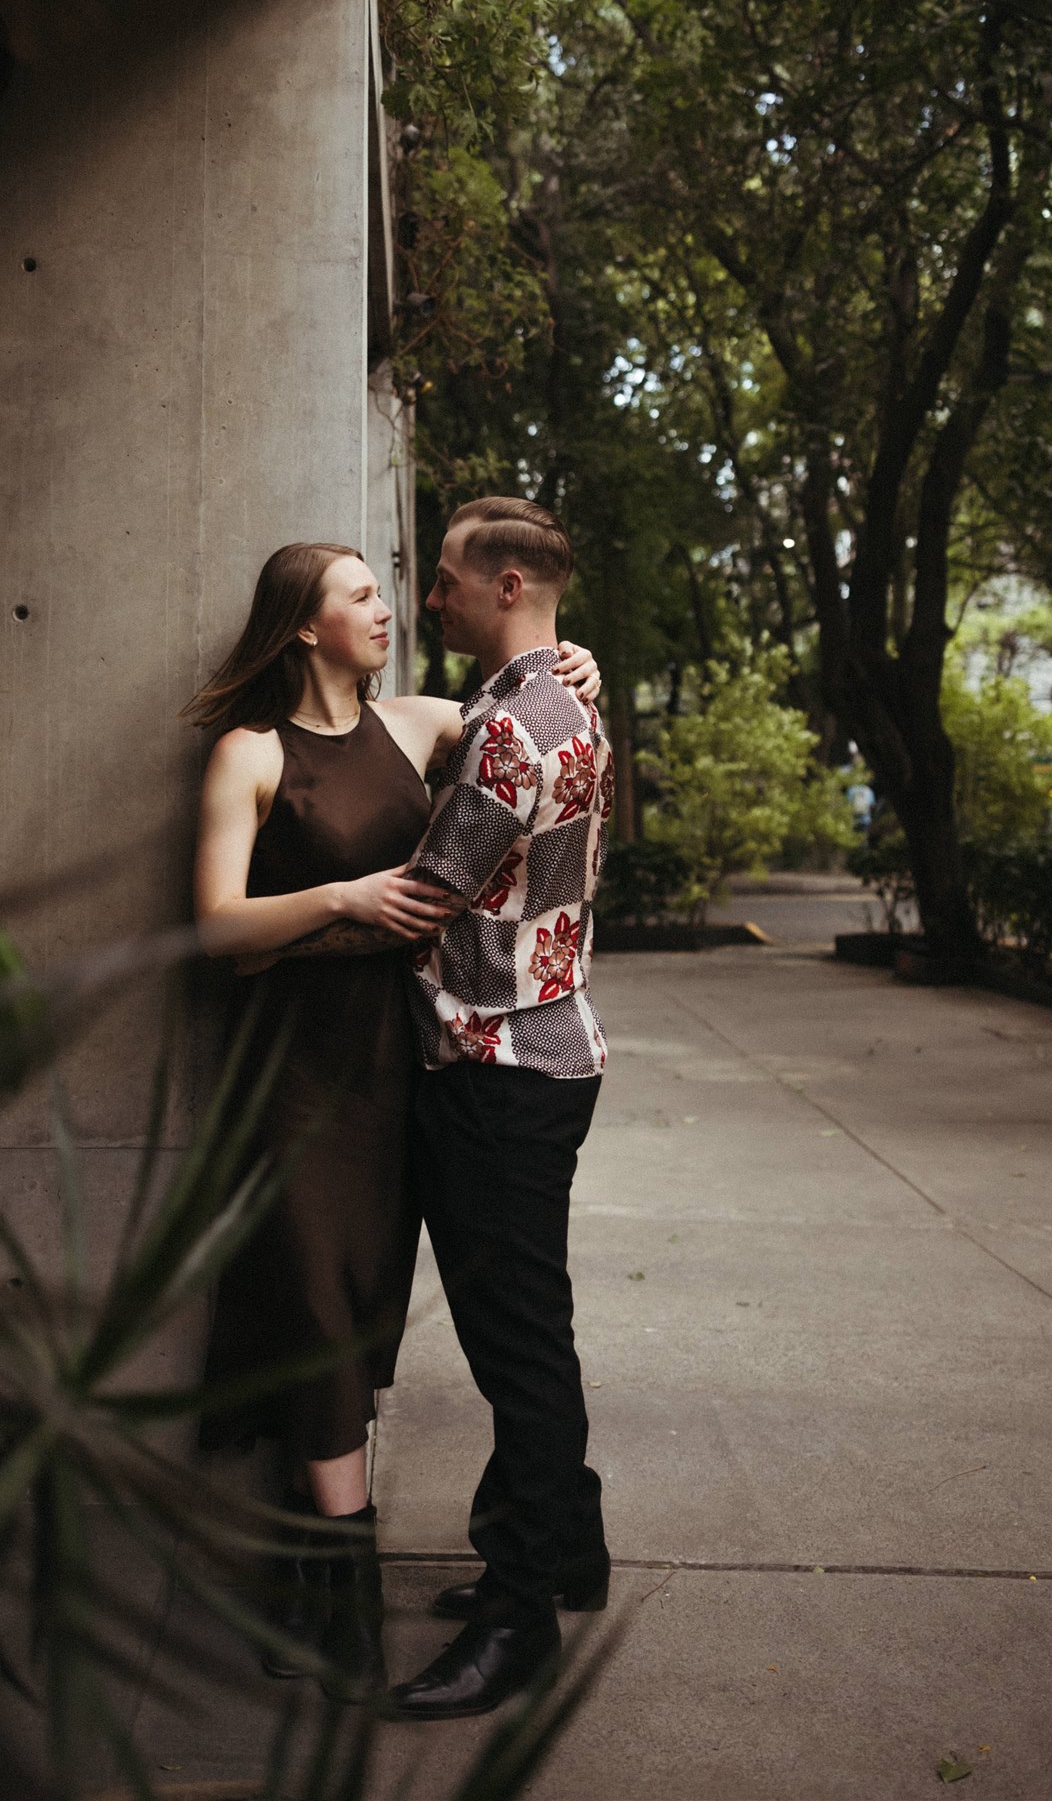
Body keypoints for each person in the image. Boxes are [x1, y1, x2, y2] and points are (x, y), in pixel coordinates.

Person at [184, 540, 600, 1700]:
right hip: (298, 1074)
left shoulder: (422, 723)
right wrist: (343, 896)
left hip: (408, 1066)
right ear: (304, 626)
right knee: (317, 1307)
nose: (390, 608)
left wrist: (579, 660)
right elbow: (216, 925)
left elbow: (530, 720)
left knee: (362, 1319)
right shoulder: (248, 752)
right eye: (362, 594)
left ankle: (324, 1591)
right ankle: (348, 1608)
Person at [383, 496, 615, 1722]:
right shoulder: (562, 699)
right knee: (535, 1322)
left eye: (451, 582)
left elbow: (427, 894)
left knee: (518, 1344)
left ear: (511, 582)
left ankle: (521, 1615)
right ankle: (563, 1549)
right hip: (545, 1051)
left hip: (497, 1066)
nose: (432, 599)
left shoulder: (512, 730)